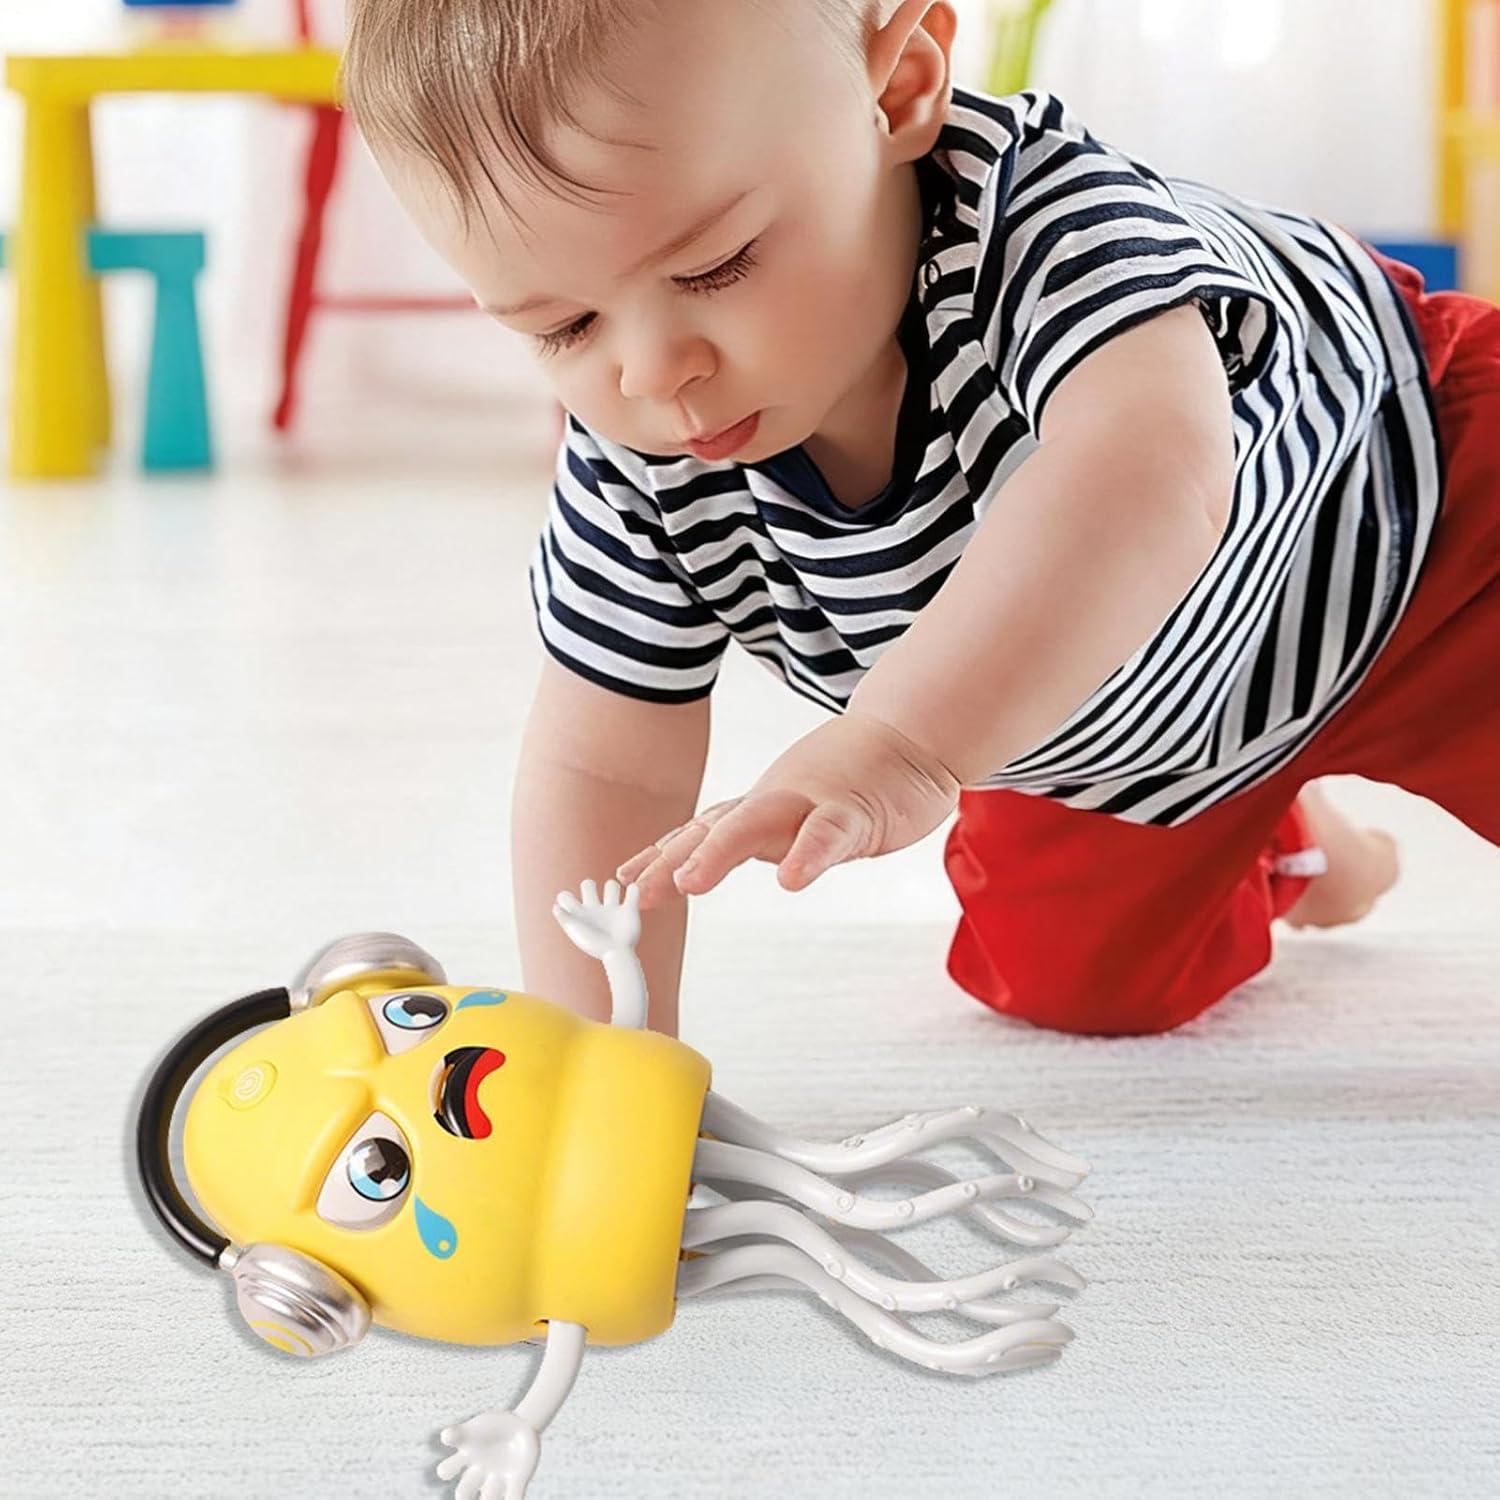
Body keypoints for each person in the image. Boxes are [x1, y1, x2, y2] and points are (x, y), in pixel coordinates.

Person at [341, 0, 1497, 1038]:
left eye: (716, 266)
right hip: (1120, 711)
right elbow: (605, 763)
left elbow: (1152, 473)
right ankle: (1291, 832)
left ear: (897, 90)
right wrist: (598, 1063)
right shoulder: (642, 461)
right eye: (563, 327)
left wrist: (900, 747)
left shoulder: (1043, 222)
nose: (652, 371)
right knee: (1072, 984)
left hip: (1427, 517)